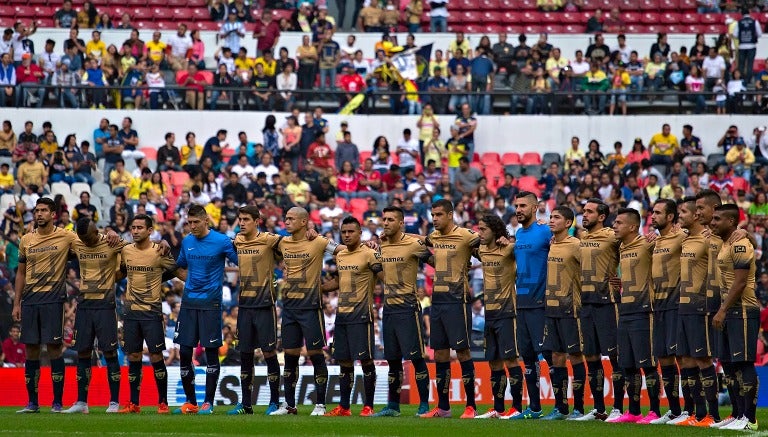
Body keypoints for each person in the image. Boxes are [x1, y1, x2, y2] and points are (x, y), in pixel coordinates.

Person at [269, 207, 346, 416]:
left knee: (315, 355)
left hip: (311, 307)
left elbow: (344, 250)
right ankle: (289, 405)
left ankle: (320, 404)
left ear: (304, 222)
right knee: (290, 356)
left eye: (291, 219)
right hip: (289, 308)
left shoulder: (319, 241)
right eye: (286, 218)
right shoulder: (282, 242)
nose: (287, 222)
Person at [13, 198, 78, 413]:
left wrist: (111, 236)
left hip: (53, 299)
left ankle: (57, 403)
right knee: (31, 349)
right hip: (30, 300)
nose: (39, 214)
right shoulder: (26, 240)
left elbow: (89, 242)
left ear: (53, 214)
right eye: (36, 210)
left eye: (43, 210)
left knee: (54, 349)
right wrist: (17, 302)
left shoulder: (66, 235)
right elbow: (21, 273)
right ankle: (32, 402)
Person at [418, 199, 481, 419]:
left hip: (458, 300)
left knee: (462, 352)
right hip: (438, 301)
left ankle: (471, 406)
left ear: (451, 214)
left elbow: (485, 243)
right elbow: (421, 242)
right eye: (433, 215)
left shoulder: (466, 235)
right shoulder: (434, 237)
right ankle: (443, 407)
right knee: (441, 354)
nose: (434, 218)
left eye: (439, 215)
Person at [62, 218, 132, 414]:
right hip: (84, 305)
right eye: (82, 238)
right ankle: (82, 403)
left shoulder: (111, 242)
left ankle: (114, 402)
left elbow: (134, 250)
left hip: (105, 304)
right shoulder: (77, 241)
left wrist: (114, 234)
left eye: (89, 238)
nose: (86, 242)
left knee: (109, 352)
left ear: (96, 232)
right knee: (82, 352)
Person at [174, 205, 238, 415]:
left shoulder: (221, 241)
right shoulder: (187, 241)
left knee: (211, 352)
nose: (192, 226)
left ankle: (208, 403)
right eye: (189, 222)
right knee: (184, 352)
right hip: (188, 302)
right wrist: (191, 281)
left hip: (210, 304)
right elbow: (180, 265)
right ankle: (191, 402)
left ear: (206, 221)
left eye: (195, 222)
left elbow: (240, 261)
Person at [372, 206, 433, 417]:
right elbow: (377, 269)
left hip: (408, 308)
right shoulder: (383, 246)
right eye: (384, 218)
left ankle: (424, 404)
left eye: (390, 219)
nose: (385, 222)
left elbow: (434, 261)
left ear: (401, 223)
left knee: (416, 357)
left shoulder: (413, 244)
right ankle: (393, 405)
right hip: (388, 308)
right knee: (393, 360)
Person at [117, 215, 178, 414]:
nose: (135, 231)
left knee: (155, 355)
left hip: (152, 312)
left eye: (140, 228)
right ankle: (134, 403)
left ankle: (163, 402)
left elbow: (176, 270)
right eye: (133, 227)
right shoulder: (126, 250)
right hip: (131, 312)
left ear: (150, 230)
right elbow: (122, 272)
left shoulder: (159, 251)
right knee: (133, 356)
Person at [227, 206, 283, 415]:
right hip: (244, 306)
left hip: (265, 305)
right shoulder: (237, 241)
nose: (241, 223)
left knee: (269, 352)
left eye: (246, 219)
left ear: (257, 221)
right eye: (240, 219)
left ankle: (275, 402)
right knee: (245, 354)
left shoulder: (269, 239)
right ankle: (246, 404)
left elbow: (294, 243)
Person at [323, 216, 382, 417]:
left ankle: (368, 406)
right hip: (342, 316)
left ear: (360, 233)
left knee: (365, 361)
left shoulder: (369, 254)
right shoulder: (341, 256)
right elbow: (339, 281)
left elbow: (384, 275)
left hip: (362, 315)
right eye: (344, 232)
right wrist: (318, 288)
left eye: (351, 231)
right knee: (344, 362)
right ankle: (345, 407)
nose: (347, 235)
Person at [608, 208, 660, 423]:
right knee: (628, 364)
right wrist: (624, 284)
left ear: (632, 226)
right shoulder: (621, 247)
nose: (614, 226)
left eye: (619, 223)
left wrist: (657, 238)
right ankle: (634, 411)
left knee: (647, 364)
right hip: (625, 309)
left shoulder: (648, 243)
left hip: (643, 310)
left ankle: (655, 411)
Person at [572, 199, 623, 422]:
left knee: (614, 356)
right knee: (591, 356)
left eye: (590, 212)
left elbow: (636, 251)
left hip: (607, 303)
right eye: (584, 211)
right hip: (586, 303)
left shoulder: (612, 236)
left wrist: (624, 280)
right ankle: (599, 408)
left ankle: (619, 408)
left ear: (601, 216)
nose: (584, 215)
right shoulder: (583, 238)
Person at [711, 204, 759, 431]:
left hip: (742, 310)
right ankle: (739, 413)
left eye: (717, 219)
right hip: (729, 310)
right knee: (729, 364)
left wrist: (722, 309)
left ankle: (749, 418)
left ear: (731, 222)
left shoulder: (740, 243)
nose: (713, 222)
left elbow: (740, 281)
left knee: (743, 363)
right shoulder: (725, 242)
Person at [673, 197, 720, 426]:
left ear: (695, 216)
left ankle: (713, 415)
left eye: (683, 212)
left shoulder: (707, 239)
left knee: (702, 359)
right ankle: (696, 414)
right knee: (686, 360)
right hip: (683, 306)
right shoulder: (685, 239)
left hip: (700, 307)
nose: (679, 215)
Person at [473, 215, 524, 419]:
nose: (480, 233)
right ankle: (498, 407)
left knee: (511, 359)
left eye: (484, 229)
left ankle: (517, 407)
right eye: (479, 229)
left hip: (507, 312)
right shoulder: (482, 250)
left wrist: (511, 240)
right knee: (494, 361)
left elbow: (529, 247)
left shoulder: (509, 249)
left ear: (495, 231)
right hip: (490, 313)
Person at [540, 206, 585, 420]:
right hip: (552, 309)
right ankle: (560, 407)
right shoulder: (552, 245)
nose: (551, 220)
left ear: (568, 223)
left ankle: (579, 408)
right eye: (550, 217)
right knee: (556, 356)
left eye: (556, 217)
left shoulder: (576, 245)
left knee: (575, 355)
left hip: (571, 309)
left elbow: (590, 268)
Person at [509, 191, 551, 420]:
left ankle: (562, 407)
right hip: (522, 303)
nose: (518, 210)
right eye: (517, 205)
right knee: (527, 358)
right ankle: (534, 407)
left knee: (550, 355)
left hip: (540, 304)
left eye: (523, 205)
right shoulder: (518, 234)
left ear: (535, 208)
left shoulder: (545, 231)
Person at [646, 199, 686, 424]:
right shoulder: (656, 241)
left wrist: (743, 233)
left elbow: (706, 235)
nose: (653, 216)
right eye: (653, 212)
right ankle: (674, 410)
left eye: (658, 213)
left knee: (682, 357)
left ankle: (691, 410)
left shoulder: (682, 237)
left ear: (671, 217)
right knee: (663, 358)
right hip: (657, 306)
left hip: (676, 304)